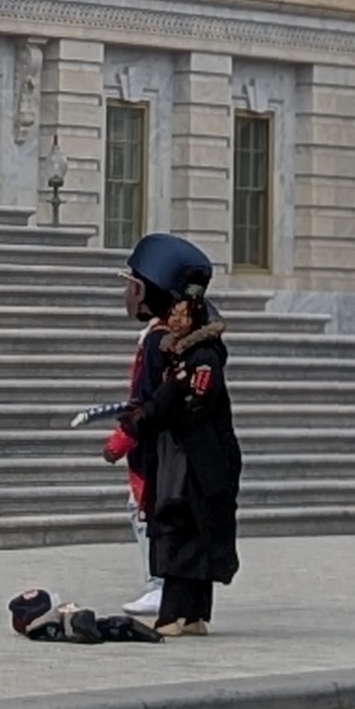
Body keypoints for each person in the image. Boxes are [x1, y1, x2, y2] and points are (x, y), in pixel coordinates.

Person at [121, 230, 240, 636]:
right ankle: (190, 615)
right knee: (185, 529)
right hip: (184, 455)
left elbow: (178, 398)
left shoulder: (199, 357)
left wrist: (141, 421)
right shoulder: (180, 351)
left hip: (193, 460)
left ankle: (177, 615)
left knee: (182, 529)